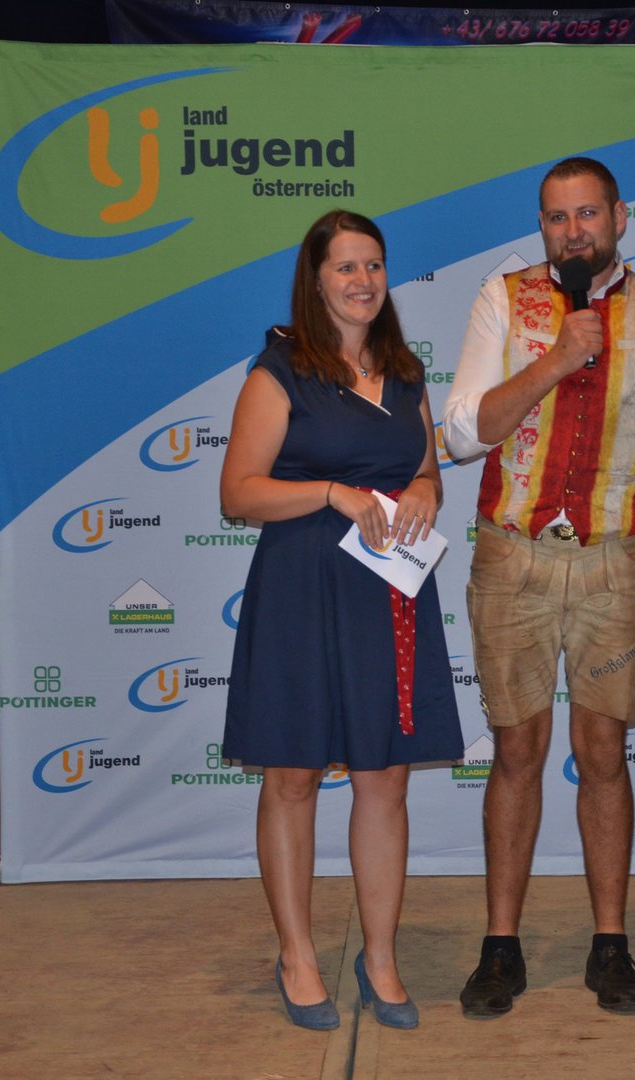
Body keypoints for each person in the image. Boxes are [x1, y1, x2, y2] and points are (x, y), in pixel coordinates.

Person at [441, 157, 635, 1017]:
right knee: (516, 751)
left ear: (620, 218)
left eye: (588, 214)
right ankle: (500, 947)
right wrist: (558, 357)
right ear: (542, 226)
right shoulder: (504, 299)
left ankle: (610, 944)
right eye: (557, 218)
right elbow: (464, 434)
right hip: (512, 557)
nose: (573, 232)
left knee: (603, 752)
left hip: (616, 561)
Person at [220, 209, 464, 1032]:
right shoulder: (280, 371)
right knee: (291, 776)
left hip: (388, 593)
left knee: (383, 777)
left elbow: (426, 471)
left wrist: (424, 488)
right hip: (300, 587)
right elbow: (238, 493)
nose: (363, 281)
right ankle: (296, 955)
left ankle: (380, 958)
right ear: (316, 279)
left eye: (374, 265)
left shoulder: (406, 373)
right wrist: (330, 493)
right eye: (346, 267)